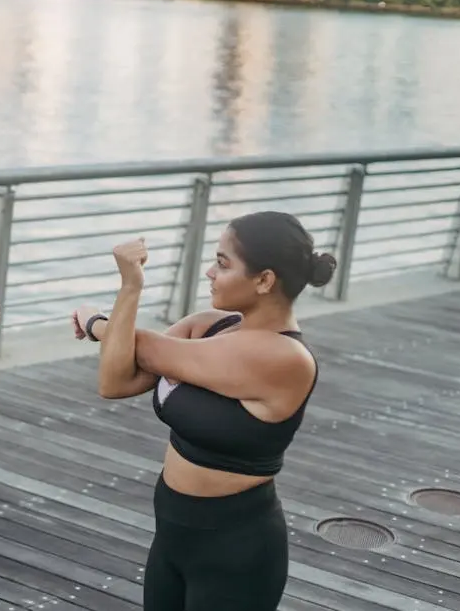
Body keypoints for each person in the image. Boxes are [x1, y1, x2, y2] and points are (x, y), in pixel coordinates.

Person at [71, 211, 335, 610]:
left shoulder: (285, 357)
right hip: (172, 535)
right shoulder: (209, 326)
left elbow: (141, 347)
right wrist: (118, 316)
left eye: (223, 264)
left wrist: (103, 316)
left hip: (236, 550)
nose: (210, 272)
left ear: (265, 280)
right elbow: (116, 381)